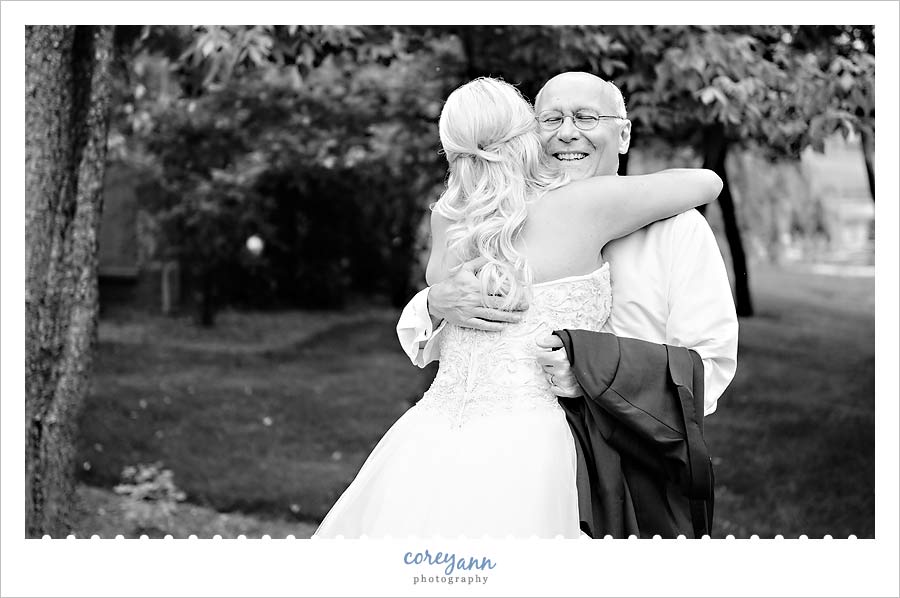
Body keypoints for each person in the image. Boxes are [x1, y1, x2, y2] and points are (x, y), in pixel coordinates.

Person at [314, 76, 722, 539]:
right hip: (536, 444)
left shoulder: (449, 218)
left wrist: (595, 376)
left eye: (586, 118)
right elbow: (708, 180)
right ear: (529, 133)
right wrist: (432, 304)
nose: (567, 133)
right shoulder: (585, 204)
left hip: (430, 445)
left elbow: (709, 362)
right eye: (550, 120)